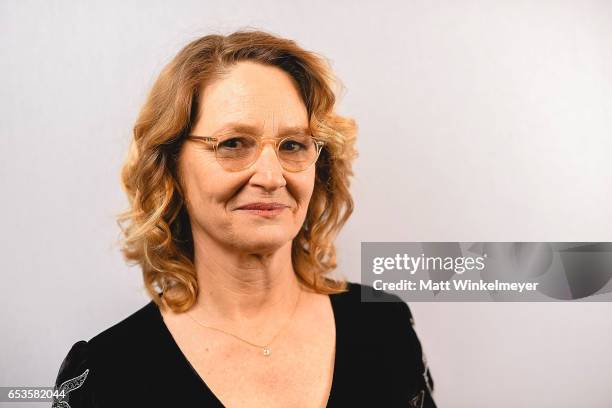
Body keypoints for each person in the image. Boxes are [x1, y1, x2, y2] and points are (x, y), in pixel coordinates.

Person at [52, 29, 436, 408]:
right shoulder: (105, 376)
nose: (271, 177)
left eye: (293, 145)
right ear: (170, 169)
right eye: (233, 143)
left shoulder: (384, 327)